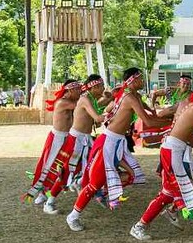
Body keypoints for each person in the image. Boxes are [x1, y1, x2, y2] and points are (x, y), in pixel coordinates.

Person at [66, 68, 171, 232]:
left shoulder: (132, 95)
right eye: (141, 78)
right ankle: (73, 215)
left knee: (132, 176)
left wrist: (169, 116)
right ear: (133, 81)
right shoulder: (129, 97)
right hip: (108, 143)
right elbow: (148, 122)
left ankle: (96, 186)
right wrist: (173, 124)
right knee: (93, 185)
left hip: (117, 143)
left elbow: (150, 114)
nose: (143, 81)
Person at [130, 81, 193, 240]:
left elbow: (192, 134)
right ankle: (141, 225)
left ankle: (169, 212)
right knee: (172, 192)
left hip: (175, 150)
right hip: (173, 151)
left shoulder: (189, 104)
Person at [23, 80, 81, 214]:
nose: (80, 92)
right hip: (57, 139)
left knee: (63, 169)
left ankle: (47, 195)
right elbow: (81, 106)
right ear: (70, 90)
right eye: (77, 89)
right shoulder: (63, 102)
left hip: (67, 139)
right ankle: (44, 195)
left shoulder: (70, 101)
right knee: (50, 168)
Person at [66, 75, 109, 190]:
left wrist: (111, 98)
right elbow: (98, 118)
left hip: (85, 138)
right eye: (101, 87)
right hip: (76, 138)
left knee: (91, 165)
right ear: (94, 87)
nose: (103, 89)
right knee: (66, 171)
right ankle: (49, 201)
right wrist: (115, 115)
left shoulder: (91, 99)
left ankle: (80, 183)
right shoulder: (85, 99)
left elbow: (96, 121)